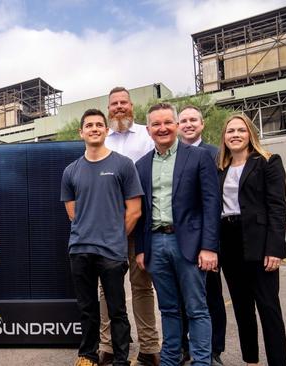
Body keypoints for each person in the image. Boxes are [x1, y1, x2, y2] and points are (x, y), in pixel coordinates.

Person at [134, 102, 220, 366]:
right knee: (168, 309)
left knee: (197, 309)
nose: (162, 128)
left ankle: (201, 362)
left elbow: (211, 203)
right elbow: (142, 211)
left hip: (190, 244)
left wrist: (209, 247)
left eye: (167, 123)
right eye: (156, 124)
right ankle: (170, 360)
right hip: (155, 244)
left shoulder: (198, 157)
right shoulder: (141, 165)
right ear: (148, 130)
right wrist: (140, 249)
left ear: (176, 125)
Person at [61, 109, 142, 366]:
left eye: (99, 125)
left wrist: (114, 236)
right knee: (87, 309)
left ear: (106, 130)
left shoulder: (123, 165)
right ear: (81, 132)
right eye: (89, 125)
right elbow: (73, 212)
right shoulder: (71, 171)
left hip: (112, 252)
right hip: (80, 250)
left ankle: (120, 359)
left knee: (117, 310)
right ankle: (87, 355)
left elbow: (134, 211)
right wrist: (90, 229)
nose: (94, 128)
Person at [217, 114, 286, 366]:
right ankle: (251, 361)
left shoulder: (268, 162)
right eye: (230, 131)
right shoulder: (220, 168)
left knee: (269, 308)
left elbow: (277, 208)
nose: (235, 135)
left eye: (240, 130)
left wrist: (275, 249)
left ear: (250, 134)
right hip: (229, 241)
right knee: (242, 308)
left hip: (259, 243)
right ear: (224, 138)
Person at [100, 86, 160, 366]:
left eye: (124, 102)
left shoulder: (147, 136)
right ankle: (107, 345)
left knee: (141, 286)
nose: (119, 107)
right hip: (107, 228)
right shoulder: (101, 138)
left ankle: (149, 347)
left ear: (131, 106)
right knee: (106, 290)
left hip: (139, 224)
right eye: (114, 104)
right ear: (108, 107)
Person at [178, 105, 226, 365]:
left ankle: (214, 350)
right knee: (183, 297)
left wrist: (212, 244)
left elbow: (215, 200)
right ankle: (185, 347)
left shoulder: (215, 155)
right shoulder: (172, 155)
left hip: (207, 236)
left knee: (212, 296)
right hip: (182, 238)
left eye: (193, 119)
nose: (188, 124)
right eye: (183, 120)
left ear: (202, 124)